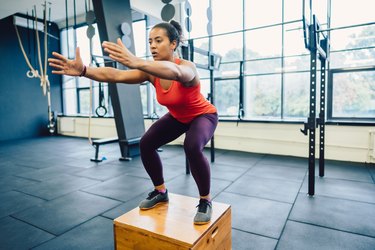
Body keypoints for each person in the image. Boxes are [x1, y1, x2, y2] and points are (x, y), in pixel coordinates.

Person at [48, 20, 218, 225]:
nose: (153, 46)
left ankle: (205, 200)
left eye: (158, 40)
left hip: (203, 115)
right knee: (146, 143)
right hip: (177, 117)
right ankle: (160, 191)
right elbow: (116, 74)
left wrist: (137, 61)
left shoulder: (187, 67)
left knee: (192, 146)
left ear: (173, 44)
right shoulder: (150, 71)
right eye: (150, 42)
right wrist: (84, 70)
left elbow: (176, 73)